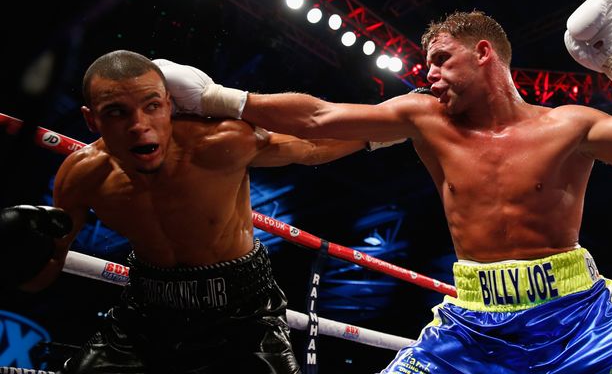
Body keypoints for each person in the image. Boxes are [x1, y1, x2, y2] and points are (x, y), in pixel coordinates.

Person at [158, 0, 612, 373]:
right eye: (428, 66)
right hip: (471, 324)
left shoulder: (570, 125)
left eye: (442, 60)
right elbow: (320, 119)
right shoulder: (423, 118)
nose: (430, 74)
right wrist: (214, 99)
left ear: (484, 53)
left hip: (577, 317)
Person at [4, 49, 375, 373]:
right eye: (117, 112)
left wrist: (397, 126)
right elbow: (42, 275)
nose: (138, 126)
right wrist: (12, 255)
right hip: (145, 315)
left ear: (168, 104)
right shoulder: (81, 176)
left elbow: (311, 143)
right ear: (91, 120)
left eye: (151, 106)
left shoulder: (218, 143)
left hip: (244, 314)